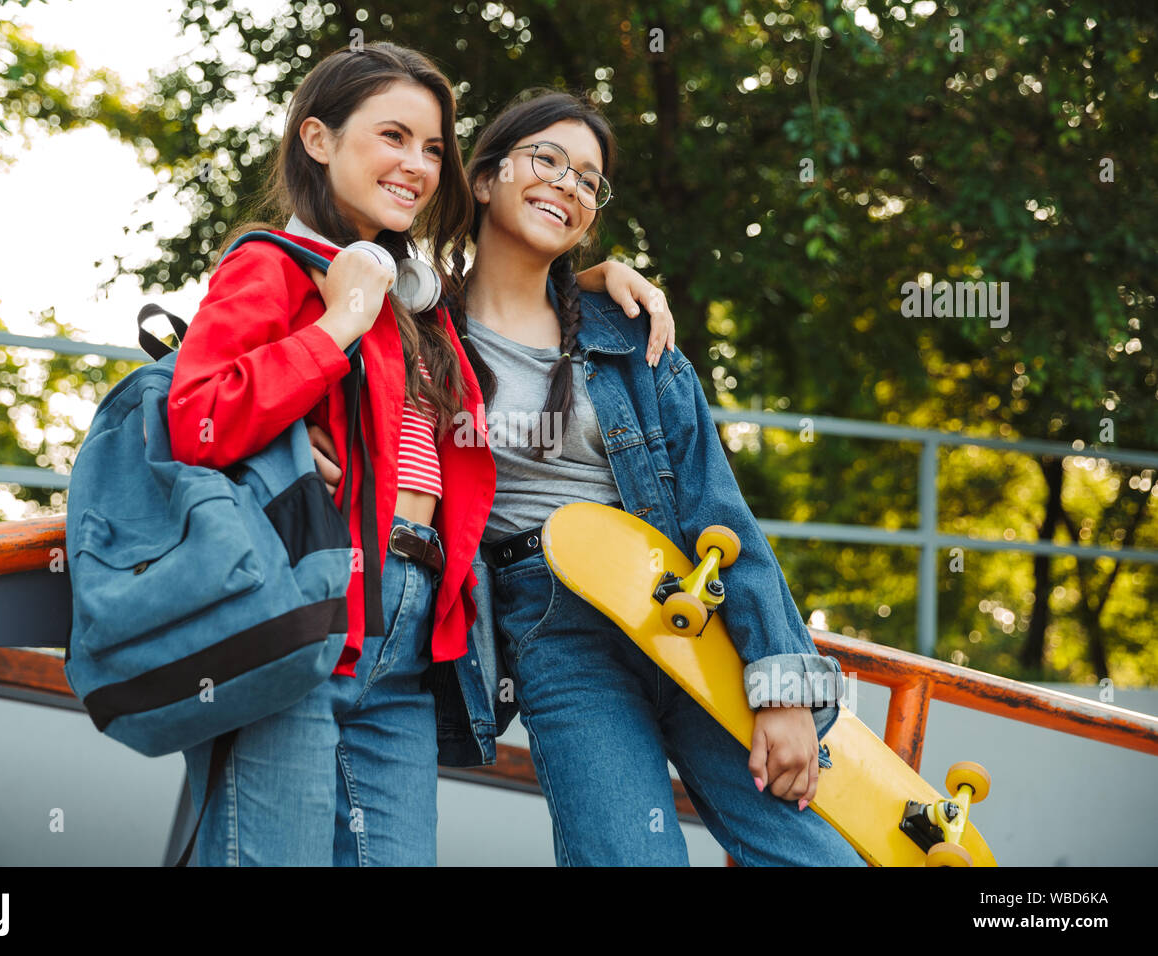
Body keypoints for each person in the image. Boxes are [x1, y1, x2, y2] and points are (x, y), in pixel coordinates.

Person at [167, 45, 672, 866]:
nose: (417, 164)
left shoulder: (421, 305)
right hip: (305, 614)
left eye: (434, 148)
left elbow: (504, 302)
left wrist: (587, 277)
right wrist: (336, 326)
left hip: (411, 635)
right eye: (394, 136)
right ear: (319, 140)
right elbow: (199, 419)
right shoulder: (271, 267)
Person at [356, 88, 861, 866]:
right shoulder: (417, 338)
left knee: (804, 852)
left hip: (686, 609)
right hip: (553, 629)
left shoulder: (630, 333)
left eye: (589, 180)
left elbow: (714, 502)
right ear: (484, 179)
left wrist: (783, 684)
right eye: (546, 160)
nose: (568, 184)